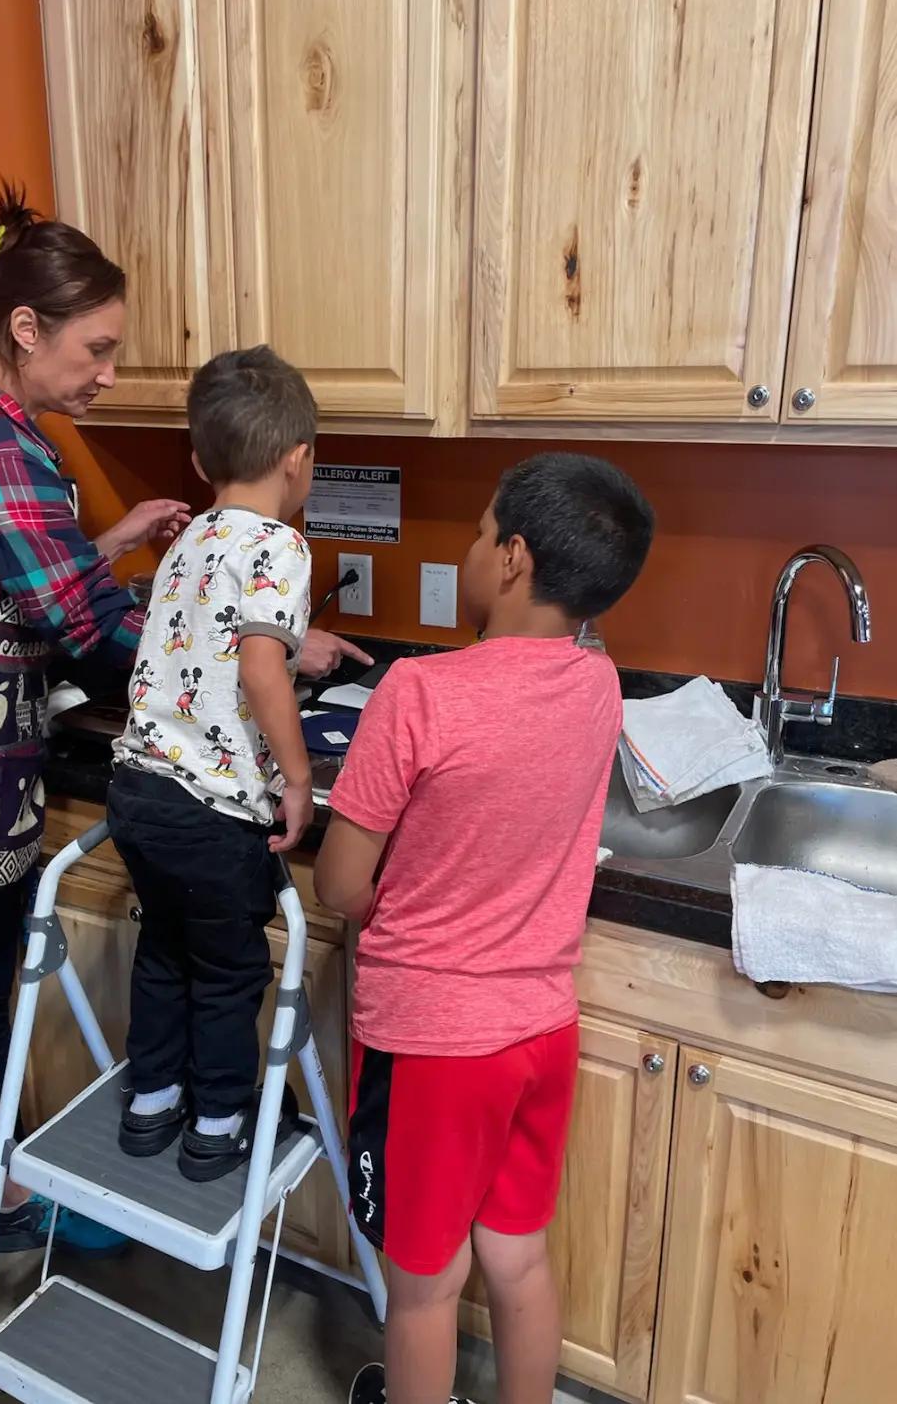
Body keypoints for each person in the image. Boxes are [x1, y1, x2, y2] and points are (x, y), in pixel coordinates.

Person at [0, 188, 362, 1404]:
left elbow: (10, 585)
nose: (105, 375)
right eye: (95, 351)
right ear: (25, 328)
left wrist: (131, 555)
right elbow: (83, 629)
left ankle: (17, 1200)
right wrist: (249, 651)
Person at [314, 452, 655, 1404]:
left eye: (475, 531)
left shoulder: (418, 696)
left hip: (434, 1043)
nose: (467, 548)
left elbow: (343, 883)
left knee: (423, 1289)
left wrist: (405, 903)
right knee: (517, 1257)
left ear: (509, 558)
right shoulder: (597, 683)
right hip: (543, 1029)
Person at [108, 346, 320, 1180]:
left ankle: (152, 1100)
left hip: (138, 792)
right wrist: (297, 781)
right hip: (211, 811)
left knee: (163, 949)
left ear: (199, 460)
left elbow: (205, 645)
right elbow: (261, 667)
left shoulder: (190, 534)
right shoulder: (281, 545)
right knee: (230, 972)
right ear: (297, 459)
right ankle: (220, 1124)